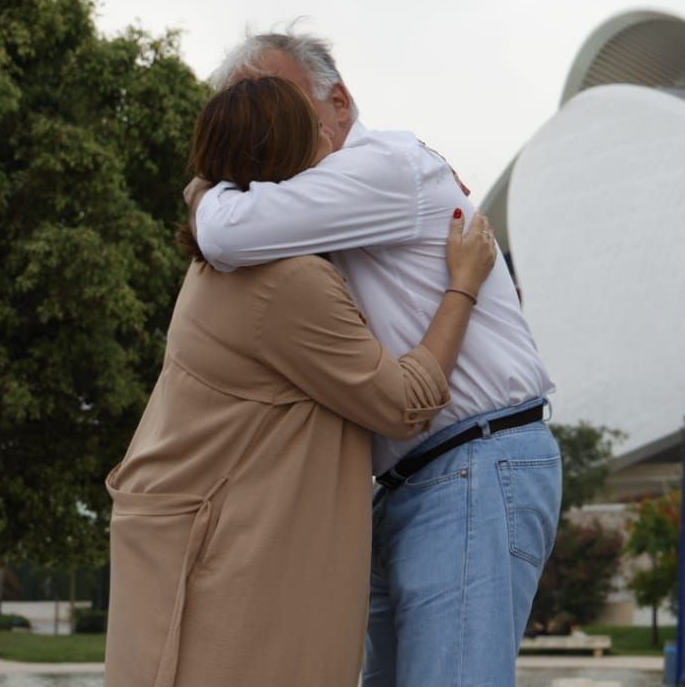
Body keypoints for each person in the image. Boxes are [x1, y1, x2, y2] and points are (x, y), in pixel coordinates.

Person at [191, 32, 560, 687]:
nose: (265, 128)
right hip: (426, 475)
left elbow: (224, 232)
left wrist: (202, 186)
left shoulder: (381, 169)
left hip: (469, 459)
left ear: (339, 101)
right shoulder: (338, 187)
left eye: (276, 104)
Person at [104, 76, 499, 687]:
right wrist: (463, 285)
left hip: (204, 554)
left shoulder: (223, 265)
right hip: (236, 572)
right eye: (310, 129)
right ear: (283, 157)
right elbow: (402, 403)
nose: (330, 138)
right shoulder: (286, 282)